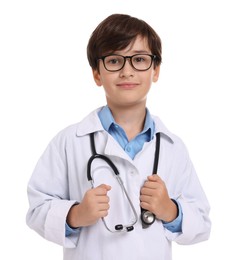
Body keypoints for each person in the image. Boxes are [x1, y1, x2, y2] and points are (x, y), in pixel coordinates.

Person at [26, 13, 211, 260]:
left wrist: (170, 210)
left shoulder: (173, 147)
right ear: (97, 74)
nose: (127, 71)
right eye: (114, 61)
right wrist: (76, 214)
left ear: (155, 71)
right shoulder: (69, 142)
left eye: (139, 59)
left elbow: (202, 223)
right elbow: (37, 209)